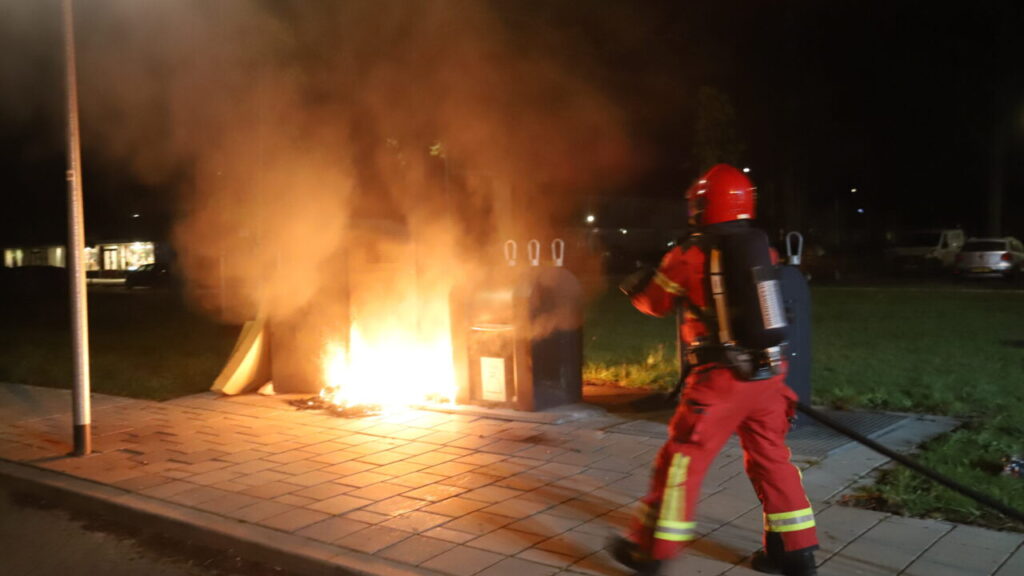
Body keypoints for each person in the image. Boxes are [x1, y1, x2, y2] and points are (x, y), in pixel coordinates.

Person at [612, 164, 819, 576]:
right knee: (772, 459)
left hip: (721, 381)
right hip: (769, 376)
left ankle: (653, 553)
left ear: (704, 205)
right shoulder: (766, 249)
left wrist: (637, 283)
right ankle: (795, 553)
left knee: (682, 460)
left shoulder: (690, 251)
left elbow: (655, 303)